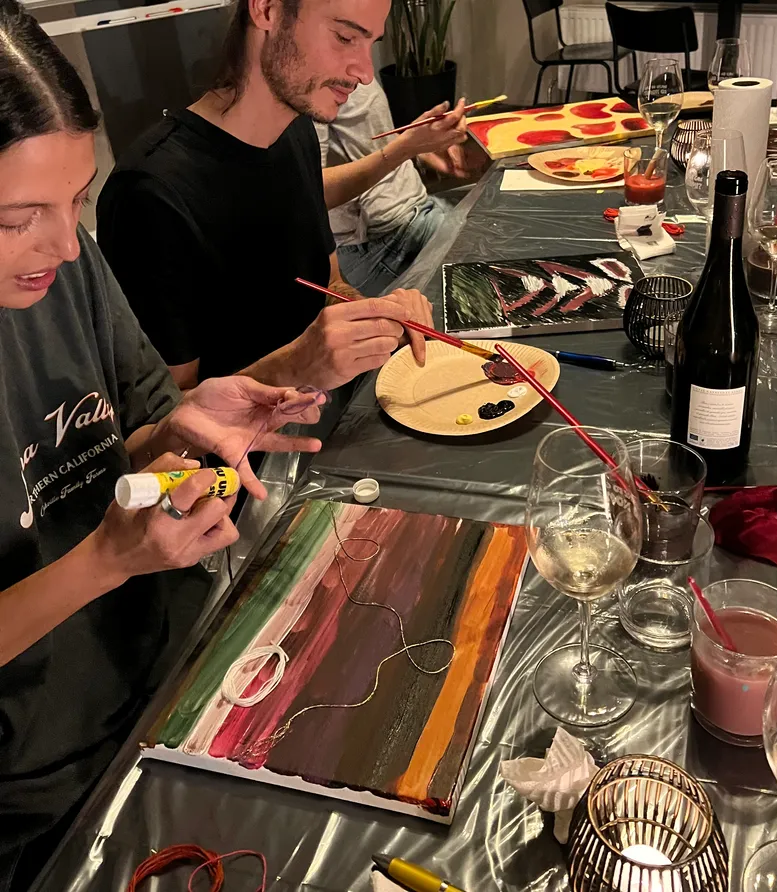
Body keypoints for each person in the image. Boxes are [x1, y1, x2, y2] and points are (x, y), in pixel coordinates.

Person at [0, 5, 326, 889]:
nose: (65, 246)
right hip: (36, 794)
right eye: (17, 218)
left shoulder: (69, 266)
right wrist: (105, 559)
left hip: (166, 672)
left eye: (74, 201)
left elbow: (136, 435)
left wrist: (185, 428)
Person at [97, 0, 465, 394]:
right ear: (267, 10)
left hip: (320, 416)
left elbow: (328, 285)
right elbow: (166, 426)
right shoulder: (150, 194)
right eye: (344, 37)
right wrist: (294, 367)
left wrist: (375, 318)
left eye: (370, 43)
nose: (364, 73)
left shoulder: (296, 130)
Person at [318, 79, 474, 295]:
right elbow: (309, 192)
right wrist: (405, 149)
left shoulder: (352, 67)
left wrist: (421, 148)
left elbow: (368, 143)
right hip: (385, 241)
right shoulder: (305, 84)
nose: (366, 73)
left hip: (416, 209)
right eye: (346, 41)